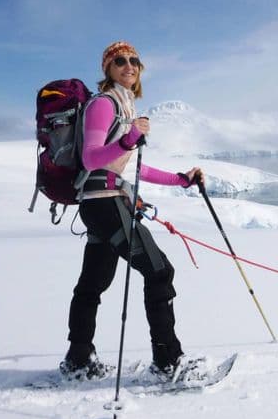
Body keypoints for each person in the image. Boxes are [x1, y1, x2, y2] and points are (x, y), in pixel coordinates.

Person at [60, 41, 203, 381]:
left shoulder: (124, 108)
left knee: (92, 284)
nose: (129, 65)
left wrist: (180, 180)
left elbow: (131, 167)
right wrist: (129, 139)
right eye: (120, 60)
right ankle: (168, 362)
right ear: (107, 68)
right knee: (159, 272)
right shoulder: (103, 104)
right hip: (105, 204)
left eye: (135, 60)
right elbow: (91, 158)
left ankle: (78, 359)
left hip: (103, 204)